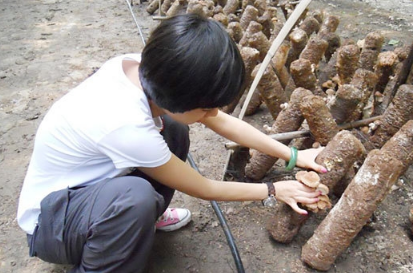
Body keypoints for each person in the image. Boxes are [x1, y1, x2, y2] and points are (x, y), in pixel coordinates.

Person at [17, 13, 327, 272]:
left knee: (174, 131)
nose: (213, 113)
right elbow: (205, 188)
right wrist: (273, 190)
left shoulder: (147, 69)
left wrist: (292, 154)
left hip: (87, 188)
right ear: (181, 98)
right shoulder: (126, 125)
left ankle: (136, 223)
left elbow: (218, 120)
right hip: (51, 224)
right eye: (206, 107)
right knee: (134, 197)